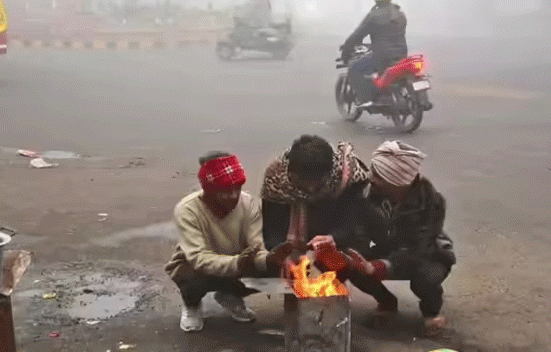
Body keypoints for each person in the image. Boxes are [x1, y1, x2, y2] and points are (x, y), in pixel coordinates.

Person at [260, 135, 395, 309]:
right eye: (304, 182)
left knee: (346, 261)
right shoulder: (276, 179)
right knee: (284, 263)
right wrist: (283, 255)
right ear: (292, 173)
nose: (310, 189)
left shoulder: (347, 176)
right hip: (295, 229)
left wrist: (334, 239)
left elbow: (354, 220)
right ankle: (294, 303)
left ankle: (385, 299)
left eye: (317, 183)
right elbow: (271, 227)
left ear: (328, 174)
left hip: (338, 227)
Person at [164, 151, 293, 332]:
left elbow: (256, 246)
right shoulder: (187, 210)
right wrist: (237, 263)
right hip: (197, 266)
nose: (233, 196)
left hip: (239, 259)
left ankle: (229, 295)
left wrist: (268, 259)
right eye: (225, 192)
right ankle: (191, 304)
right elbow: (198, 258)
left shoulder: (248, 204)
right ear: (209, 191)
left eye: (237, 189)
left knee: (275, 269)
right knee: (191, 276)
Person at [344, 140, 457, 337]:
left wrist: (378, 267)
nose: (371, 179)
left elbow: (419, 249)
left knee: (425, 277)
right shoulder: (366, 196)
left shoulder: (431, 202)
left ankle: (431, 313)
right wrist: (355, 255)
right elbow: (357, 231)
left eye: (378, 176)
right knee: (351, 266)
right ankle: (386, 302)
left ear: (398, 182)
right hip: (389, 247)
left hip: (429, 253)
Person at [341, 0, 408, 108]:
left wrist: (346, 50)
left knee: (355, 67)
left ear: (376, 0)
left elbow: (358, 34)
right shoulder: (400, 14)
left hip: (383, 55)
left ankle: (366, 98)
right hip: (401, 53)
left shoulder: (374, 16)